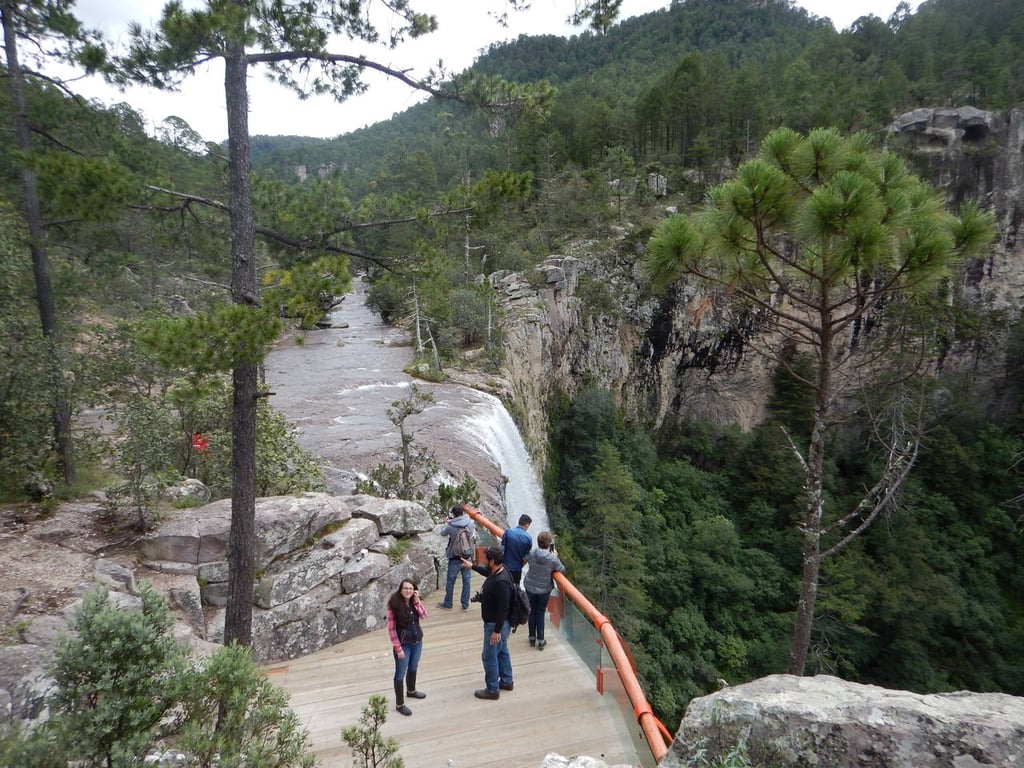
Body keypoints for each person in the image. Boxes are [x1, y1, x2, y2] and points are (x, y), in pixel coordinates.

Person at [465, 545, 514, 700]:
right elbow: (488, 573)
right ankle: (507, 681)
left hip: (496, 624)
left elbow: (503, 608)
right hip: (498, 624)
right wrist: (472, 566)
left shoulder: (501, 582)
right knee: (502, 650)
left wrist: (496, 632)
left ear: (493, 560)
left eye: (487, 559)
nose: (486, 561)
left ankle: (492, 689)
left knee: (489, 656)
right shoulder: (500, 570)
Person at [386, 578, 427, 716]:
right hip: (404, 645)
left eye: (411, 588)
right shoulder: (394, 606)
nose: (408, 591)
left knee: (413, 667)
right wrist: (398, 648)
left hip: (417, 641)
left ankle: (411, 690)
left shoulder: (414, 603)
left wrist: (417, 602)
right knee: (400, 673)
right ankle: (399, 704)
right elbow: (392, 630)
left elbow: (424, 615)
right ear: (400, 589)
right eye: (405, 588)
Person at [523, 531, 565, 650]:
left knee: (531, 611)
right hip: (543, 589)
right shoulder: (552, 559)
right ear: (548, 544)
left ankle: (532, 637)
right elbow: (562, 569)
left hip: (530, 585)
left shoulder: (531, 553)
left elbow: (526, 559)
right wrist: (555, 556)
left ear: (538, 542)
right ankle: (541, 640)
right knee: (540, 613)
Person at [438, 505, 476, 610]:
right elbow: (471, 535)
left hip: (454, 556)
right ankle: (465, 605)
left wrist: (447, 522)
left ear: (453, 514)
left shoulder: (451, 526)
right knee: (467, 580)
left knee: (451, 581)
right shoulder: (470, 523)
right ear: (463, 512)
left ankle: (448, 603)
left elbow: (442, 533)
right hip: (467, 556)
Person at [500, 514, 532, 585]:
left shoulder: (508, 532)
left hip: (505, 567)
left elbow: (501, 549)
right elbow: (527, 557)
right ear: (527, 525)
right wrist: (520, 566)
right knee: (515, 589)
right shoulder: (528, 538)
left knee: (503, 586)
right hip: (517, 569)